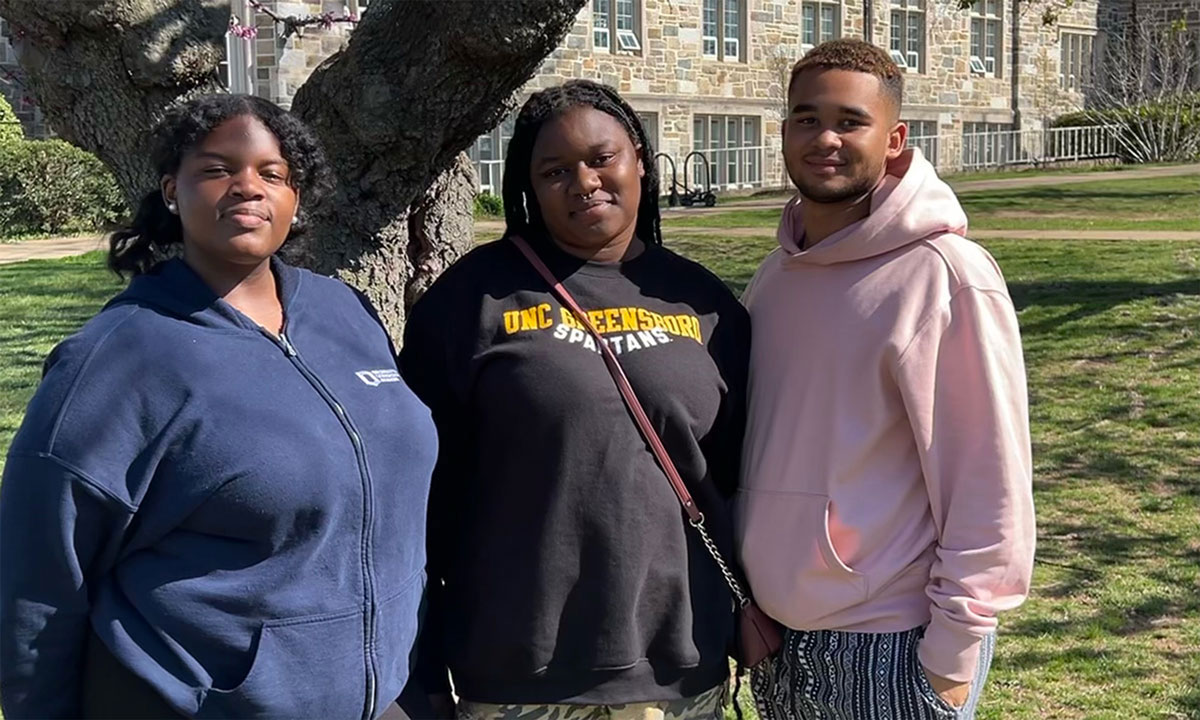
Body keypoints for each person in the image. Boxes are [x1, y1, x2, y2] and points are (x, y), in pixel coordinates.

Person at [0, 94, 437, 719]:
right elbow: (40, 577)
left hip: (377, 697)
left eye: (272, 173)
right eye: (216, 169)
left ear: (296, 197)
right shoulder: (119, 359)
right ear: (171, 192)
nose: (247, 187)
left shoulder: (346, 313)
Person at [399, 79, 750, 720]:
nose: (583, 181)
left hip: (676, 661)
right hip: (518, 668)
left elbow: (733, 478)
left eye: (601, 158)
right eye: (555, 170)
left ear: (640, 158)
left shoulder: (703, 302)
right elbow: (420, 493)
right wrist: (417, 665)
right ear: (529, 188)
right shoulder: (472, 300)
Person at [737, 39, 1035, 719]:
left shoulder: (947, 277)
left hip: (893, 648)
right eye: (807, 119)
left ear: (895, 140)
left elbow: (988, 481)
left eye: (850, 120)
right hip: (782, 639)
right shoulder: (774, 278)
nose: (826, 139)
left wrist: (953, 652)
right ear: (784, 131)